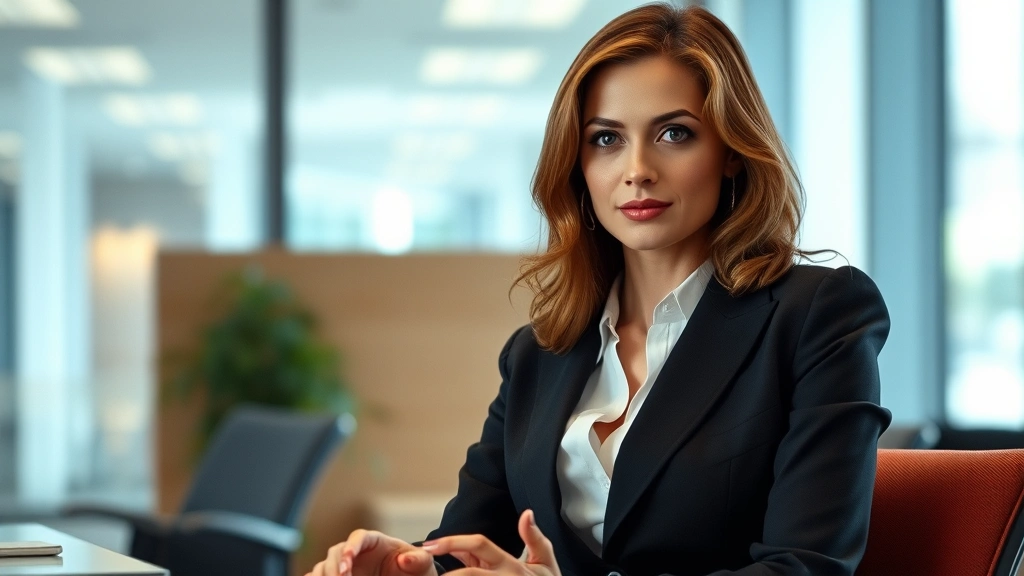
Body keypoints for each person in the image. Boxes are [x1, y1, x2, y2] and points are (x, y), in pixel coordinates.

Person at [308, 4, 890, 576]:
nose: (637, 168)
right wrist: (409, 567)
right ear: (578, 164)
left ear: (732, 151)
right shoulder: (538, 352)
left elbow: (805, 567)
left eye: (674, 133)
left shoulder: (818, 315)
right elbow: (470, 540)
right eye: (607, 139)